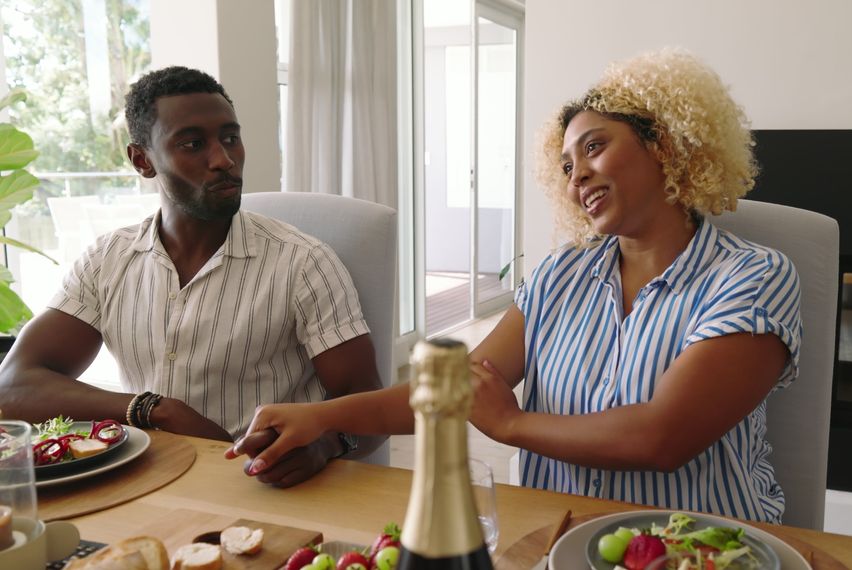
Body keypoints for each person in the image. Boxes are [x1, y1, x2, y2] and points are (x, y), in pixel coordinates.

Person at [229, 49, 802, 522]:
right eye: (566, 164)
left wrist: (510, 424)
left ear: (665, 145)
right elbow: (457, 390)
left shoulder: (753, 276)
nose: (576, 174)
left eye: (595, 146)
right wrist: (323, 416)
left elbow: (662, 438)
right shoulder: (560, 275)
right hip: (553, 537)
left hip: (700, 547)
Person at [0, 66, 384, 488]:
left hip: (261, 487)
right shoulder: (108, 260)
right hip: (148, 481)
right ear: (142, 161)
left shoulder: (303, 263)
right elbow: (14, 386)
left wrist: (325, 444)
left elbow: (371, 412)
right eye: (193, 144)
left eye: (230, 138)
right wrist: (154, 409)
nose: (223, 160)